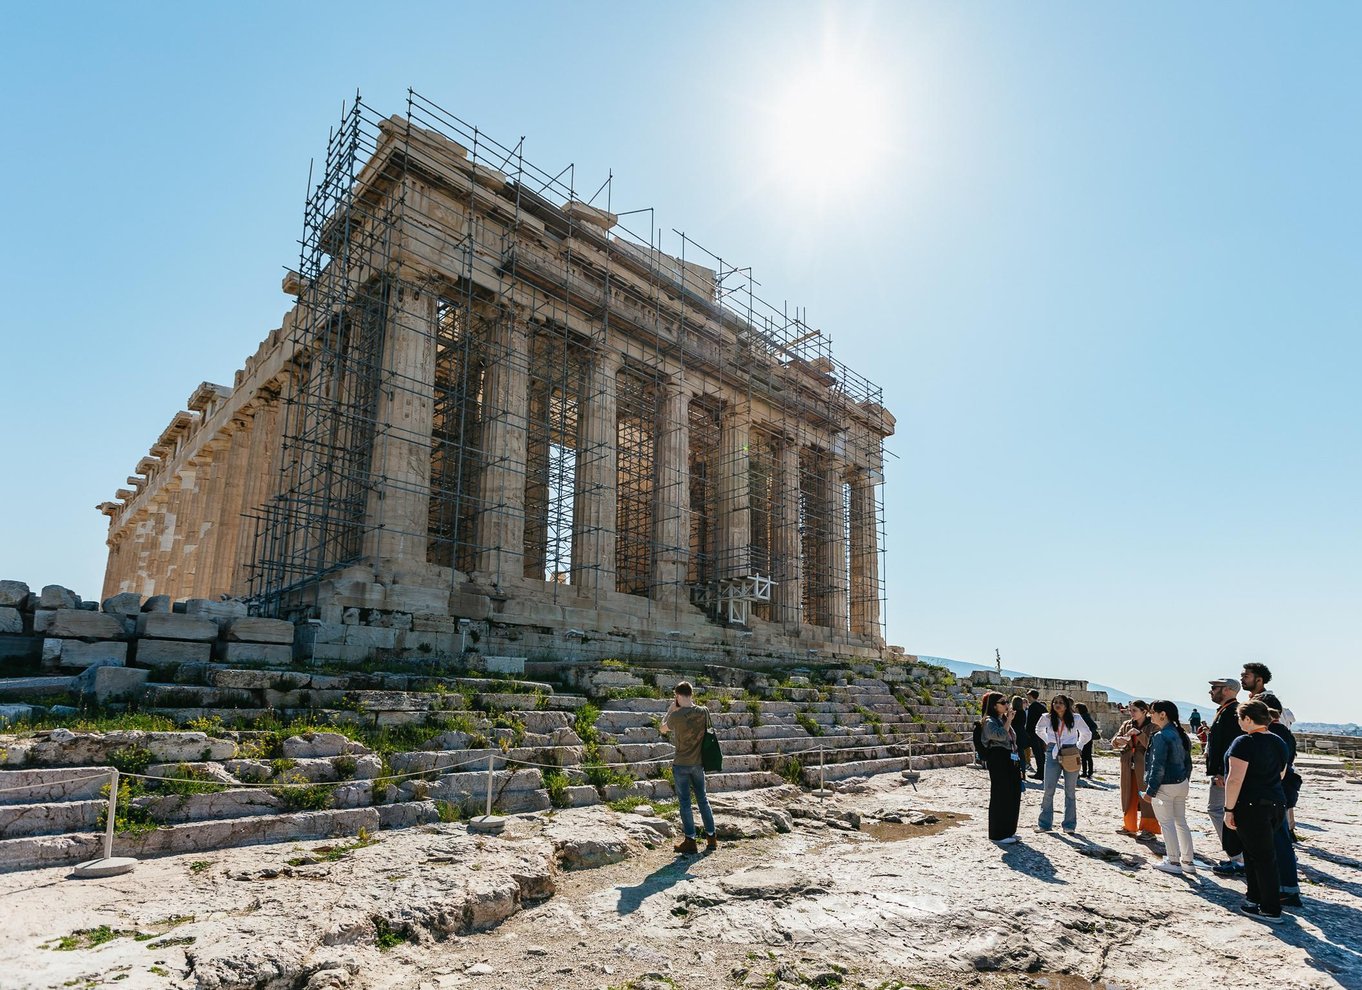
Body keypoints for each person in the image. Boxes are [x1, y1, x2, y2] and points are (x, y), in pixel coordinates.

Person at [1224, 700, 1291, 923]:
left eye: (1239, 717)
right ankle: (1254, 898)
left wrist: (1228, 809)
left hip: (1252, 806)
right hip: (1276, 804)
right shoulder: (1279, 742)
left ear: (1248, 719)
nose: (1238, 721)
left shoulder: (1244, 742)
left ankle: (1271, 909)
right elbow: (1281, 774)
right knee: (1254, 853)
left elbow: (1234, 779)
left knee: (1262, 857)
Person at [658, 680, 716, 855]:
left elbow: (662, 729)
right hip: (698, 764)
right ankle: (711, 838)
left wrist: (670, 710)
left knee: (685, 803)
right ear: (691, 694)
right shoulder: (704, 711)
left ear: (677, 696)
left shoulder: (676, 716)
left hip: (681, 764)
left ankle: (690, 840)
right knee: (703, 800)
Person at [1259, 693, 1302, 907]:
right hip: (1277, 792)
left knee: (1279, 840)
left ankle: (1286, 888)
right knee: (1278, 839)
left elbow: (1277, 767)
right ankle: (1284, 886)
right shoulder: (1282, 732)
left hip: (1274, 793)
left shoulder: (1275, 734)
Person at [1145, 701, 1195, 875]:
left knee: (1167, 823)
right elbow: (1188, 762)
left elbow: (1157, 765)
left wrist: (1150, 791)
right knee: (1181, 822)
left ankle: (1173, 861)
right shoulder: (1181, 734)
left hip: (1166, 785)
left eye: (1152, 712)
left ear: (1163, 714)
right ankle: (1188, 861)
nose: (1150, 715)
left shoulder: (1161, 736)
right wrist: (1185, 780)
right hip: (1181, 782)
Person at [1204, 676, 1246, 875]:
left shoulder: (1231, 713)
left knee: (1217, 810)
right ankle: (1237, 855)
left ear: (1228, 690)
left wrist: (1221, 771)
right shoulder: (1224, 712)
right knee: (1219, 811)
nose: (1211, 691)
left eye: (1215, 688)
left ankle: (1238, 857)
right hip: (1222, 772)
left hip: (1225, 775)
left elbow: (1230, 745)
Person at [1035, 694, 1093, 834]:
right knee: (1048, 789)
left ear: (1066, 705)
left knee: (1070, 791)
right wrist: (1048, 739)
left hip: (1071, 752)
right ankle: (1044, 824)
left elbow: (1087, 733)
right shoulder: (1046, 717)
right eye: (1055, 702)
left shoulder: (1076, 718)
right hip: (1052, 751)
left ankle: (1069, 825)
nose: (1057, 705)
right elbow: (1038, 729)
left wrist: (1079, 746)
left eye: (1061, 702)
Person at [1112, 701, 1161, 837]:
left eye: (1134, 710)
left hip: (1144, 765)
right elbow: (1114, 740)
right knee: (1128, 794)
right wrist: (1118, 740)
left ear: (1144, 711)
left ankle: (1149, 829)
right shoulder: (1126, 724)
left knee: (1146, 795)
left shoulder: (1153, 726)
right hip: (1128, 764)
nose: (1131, 713)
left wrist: (1139, 734)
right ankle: (1129, 826)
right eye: (1130, 710)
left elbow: (1154, 746)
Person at [979, 692, 1022, 844]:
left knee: (1012, 794)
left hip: (1010, 758)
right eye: (1002, 702)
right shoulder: (989, 721)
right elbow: (999, 736)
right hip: (998, 758)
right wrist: (1009, 720)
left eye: (1006, 701)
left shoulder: (1002, 719)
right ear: (994, 705)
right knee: (1000, 795)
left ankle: (1009, 830)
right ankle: (997, 833)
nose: (1006, 704)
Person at [1024, 690, 1047, 780]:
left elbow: (1030, 722)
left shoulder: (1033, 706)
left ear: (1030, 696)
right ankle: (1043, 772)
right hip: (1042, 733)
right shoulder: (1041, 706)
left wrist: (1028, 733)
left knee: (1038, 753)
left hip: (1034, 733)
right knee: (1041, 753)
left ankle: (1040, 773)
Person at [1074, 702, 1099, 778]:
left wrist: (1087, 733)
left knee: (1087, 756)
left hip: (1086, 739)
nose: (1075, 709)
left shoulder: (1085, 717)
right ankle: (1085, 772)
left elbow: (1094, 726)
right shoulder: (1081, 716)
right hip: (1083, 738)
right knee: (1084, 756)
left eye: (1076, 708)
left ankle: (1089, 772)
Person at [1011, 695, 1032, 781]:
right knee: (1022, 755)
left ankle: (1015, 772)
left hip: (1014, 734)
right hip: (1022, 734)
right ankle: (1023, 773)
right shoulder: (1023, 712)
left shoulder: (1013, 712)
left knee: (1014, 754)